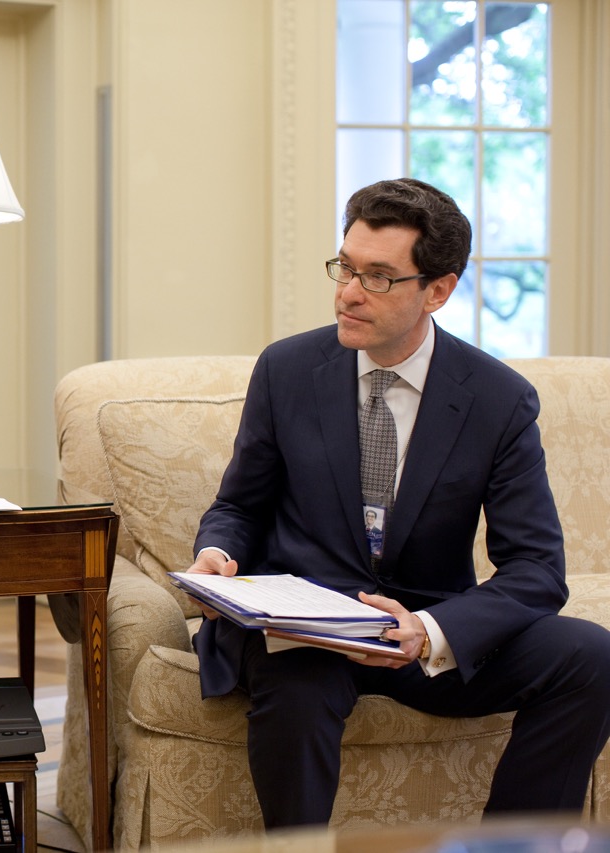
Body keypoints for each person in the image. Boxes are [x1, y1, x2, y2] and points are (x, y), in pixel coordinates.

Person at [184, 177, 610, 828]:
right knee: (298, 687)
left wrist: (431, 631)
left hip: (422, 629)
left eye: (379, 276)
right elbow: (239, 506)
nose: (349, 292)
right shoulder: (287, 369)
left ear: (437, 289)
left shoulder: (498, 399)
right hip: (304, 631)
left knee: (590, 655)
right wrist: (216, 552)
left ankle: (514, 848)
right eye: (346, 266)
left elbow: (536, 569)